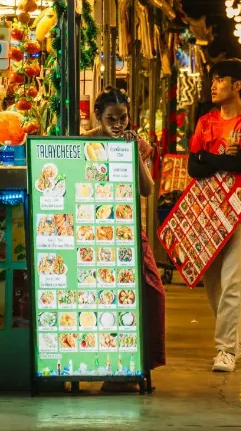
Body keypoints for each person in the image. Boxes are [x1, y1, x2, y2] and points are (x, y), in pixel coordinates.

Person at [187, 59, 241, 373]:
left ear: (237, 85)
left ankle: (225, 351)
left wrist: (210, 158)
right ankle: (237, 342)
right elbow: (194, 167)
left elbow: (239, 165)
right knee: (212, 284)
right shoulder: (205, 121)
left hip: (240, 210)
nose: (213, 84)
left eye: (220, 79)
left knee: (233, 281)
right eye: (213, 79)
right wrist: (220, 156)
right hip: (206, 211)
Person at [84, 88, 166, 390]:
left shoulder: (136, 143)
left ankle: (139, 366)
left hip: (128, 228)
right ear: (98, 117)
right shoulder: (85, 142)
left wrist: (133, 155)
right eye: (111, 119)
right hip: (93, 228)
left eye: (123, 118)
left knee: (151, 293)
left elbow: (146, 189)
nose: (118, 125)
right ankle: (112, 371)